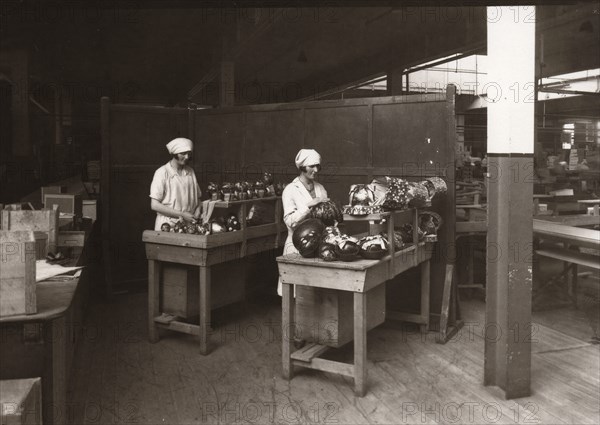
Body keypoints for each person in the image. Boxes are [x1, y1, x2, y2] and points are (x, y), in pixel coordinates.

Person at [277, 148, 329, 296]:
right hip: (296, 247)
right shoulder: (290, 190)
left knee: (313, 296)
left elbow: (326, 216)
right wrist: (309, 206)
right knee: (295, 292)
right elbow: (289, 221)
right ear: (302, 167)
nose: (315, 170)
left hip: (317, 247)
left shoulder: (321, 189)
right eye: (311, 166)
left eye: (317, 166)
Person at [149, 137, 202, 231]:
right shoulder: (162, 172)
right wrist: (182, 215)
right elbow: (154, 205)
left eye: (189, 154)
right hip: (167, 226)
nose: (187, 157)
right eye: (183, 153)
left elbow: (198, 199)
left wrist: (197, 213)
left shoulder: (190, 172)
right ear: (174, 153)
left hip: (189, 226)